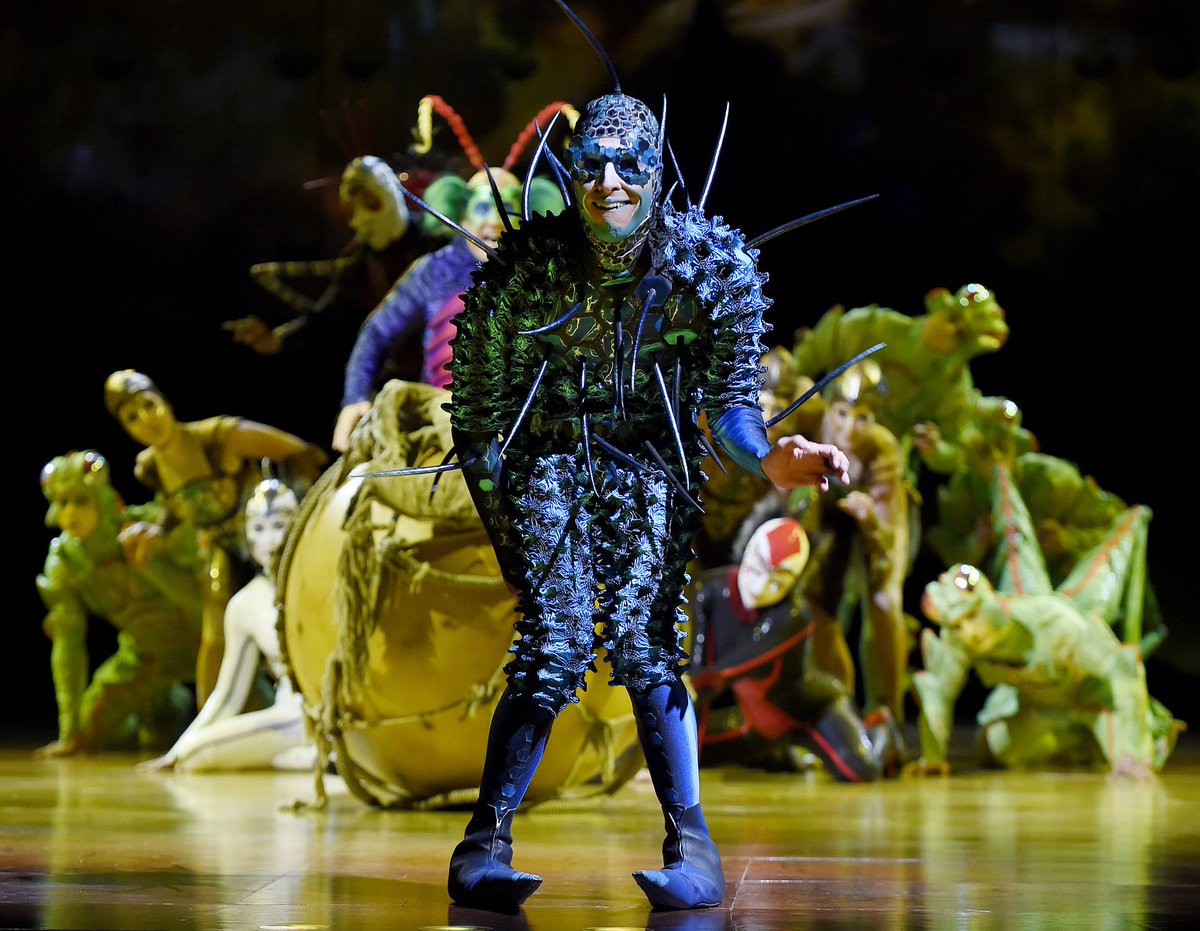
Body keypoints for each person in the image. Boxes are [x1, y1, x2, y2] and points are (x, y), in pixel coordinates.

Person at [438, 69, 851, 913]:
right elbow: (478, 421)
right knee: (553, 640)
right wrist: (511, 534)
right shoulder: (523, 275)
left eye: (629, 164)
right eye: (591, 163)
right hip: (547, 452)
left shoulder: (714, 269)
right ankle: (485, 840)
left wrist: (771, 459)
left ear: (657, 171)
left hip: (653, 455)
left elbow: (729, 402)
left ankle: (690, 841)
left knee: (645, 639)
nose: (609, 182)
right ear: (570, 171)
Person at [331, 96, 572, 453]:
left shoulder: (543, 272)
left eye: (507, 209)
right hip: (444, 421)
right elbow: (377, 333)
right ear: (460, 211)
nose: (494, 221)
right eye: (482, 207)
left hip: (526, 426)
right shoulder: (434, 270)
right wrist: (354, 398)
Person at [105, 370, 328, 708]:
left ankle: (318, 693)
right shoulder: (149, 467)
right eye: (132, 417)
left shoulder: (219, 436)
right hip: (222, 548)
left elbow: (302, 453)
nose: (147, 420)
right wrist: (159, 529)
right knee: (215, 633)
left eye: (149, 405)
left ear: (164, 400)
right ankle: (204, 723)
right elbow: (175, 505)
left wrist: (295, 508)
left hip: (265, 539)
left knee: (293, 612)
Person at [139, 472, 316, 773]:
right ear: (246, 532)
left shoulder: (318, 579)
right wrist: (178, 750)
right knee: (194, 753)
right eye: (258, 528)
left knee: (196, 753)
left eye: (279, 525)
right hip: (294, 716)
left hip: (341, 712)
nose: (269, 540)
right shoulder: (244, 605)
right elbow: (228, 695)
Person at [35, 450, 204, 758]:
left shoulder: (147, 528)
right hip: (145, 656)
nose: (70, 513)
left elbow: (205, 599)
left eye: (81, 501)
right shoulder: (65, 562)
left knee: (250, 722)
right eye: (63, 502)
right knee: (91, 728)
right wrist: (69, 731)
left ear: (101, 499)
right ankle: (164, 704)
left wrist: (151, 567)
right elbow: (68, 645)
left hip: (204, 644)